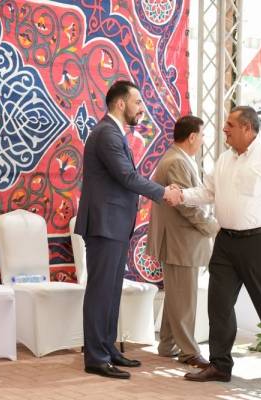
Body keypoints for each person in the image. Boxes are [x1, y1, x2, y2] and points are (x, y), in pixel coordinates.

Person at [181, 106, 261, 383]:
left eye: (230, 125)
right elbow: (207, 192)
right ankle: (220, 365)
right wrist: (181, 196)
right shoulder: (224, 159)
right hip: (225, 242)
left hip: (259, 242)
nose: (224, 129)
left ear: (247, 128)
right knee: (218, 303)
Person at [74, 80, 182, 379]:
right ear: (121, 104)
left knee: (111, 291)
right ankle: (96, 357)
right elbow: (127, 177)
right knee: (101, 292)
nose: (140, 109)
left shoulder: (112, 132)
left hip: (114, 224)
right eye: (137, 102)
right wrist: (163, 192)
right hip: (105, 224)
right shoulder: (107, 134)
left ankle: (107, 348)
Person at [146, 115, 218, 370]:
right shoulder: (177, 161)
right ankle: (189, 352)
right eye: (202, 135)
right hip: (179, 241)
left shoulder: (178, 158)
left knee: (177, 297)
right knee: (184, 300)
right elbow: (186, 206)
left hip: (180, 241)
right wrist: (212, 227)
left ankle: (168, 344)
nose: (203, 140)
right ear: (192, 137)